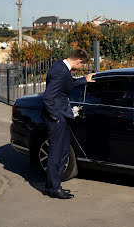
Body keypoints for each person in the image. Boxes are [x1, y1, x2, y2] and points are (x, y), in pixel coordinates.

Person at [42, 49, 95, 199]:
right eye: (82, 64)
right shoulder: (61, 71)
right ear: (79, 61)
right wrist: (56, 116)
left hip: (61, 115)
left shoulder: (60, 67)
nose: (81, 66)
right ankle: (54, 188)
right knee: (56, 152)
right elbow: (47, 97)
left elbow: (67, 85)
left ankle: (51, 185)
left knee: (64, 150)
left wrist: (84, 79)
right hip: (56, 118)